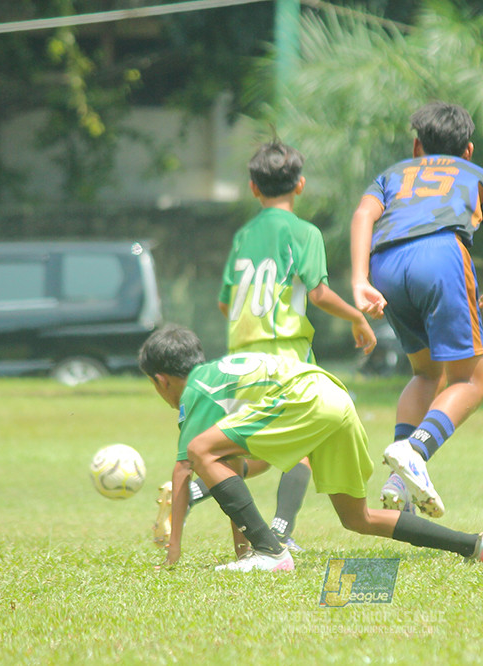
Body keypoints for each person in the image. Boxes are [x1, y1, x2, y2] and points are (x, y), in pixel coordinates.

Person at [152, 139, 377, 556]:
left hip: (244, 357)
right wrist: (358, 318)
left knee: (240, 449)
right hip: (286, 354)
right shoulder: (305, 232)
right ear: (301, 185)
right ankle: (278, 535)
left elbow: (225, 301)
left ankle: (224, 520)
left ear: (254, 189)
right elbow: (320, 294)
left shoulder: (244, 235)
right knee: (301, 446)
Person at [141, 324, 483, 571]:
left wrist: (173, 553)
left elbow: (185, 465)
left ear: (161, 381)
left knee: (199, 449)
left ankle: (272, 552)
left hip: (304, 400)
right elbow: (232, 468)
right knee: (357, 518)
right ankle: (475, 545)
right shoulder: (220, 373)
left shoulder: (195, 389)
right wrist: (243, 553)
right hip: (334, 396)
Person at [349, 101, 483, 518]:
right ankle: (415, 453)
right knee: (471, 383)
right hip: (440, 256)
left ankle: (397, 481)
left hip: (385, 263)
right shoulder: (478, 176)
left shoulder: (391, 174)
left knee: (426, 372)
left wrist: (359, 280)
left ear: (416, 146)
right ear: (468, 150)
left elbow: (362, 216)